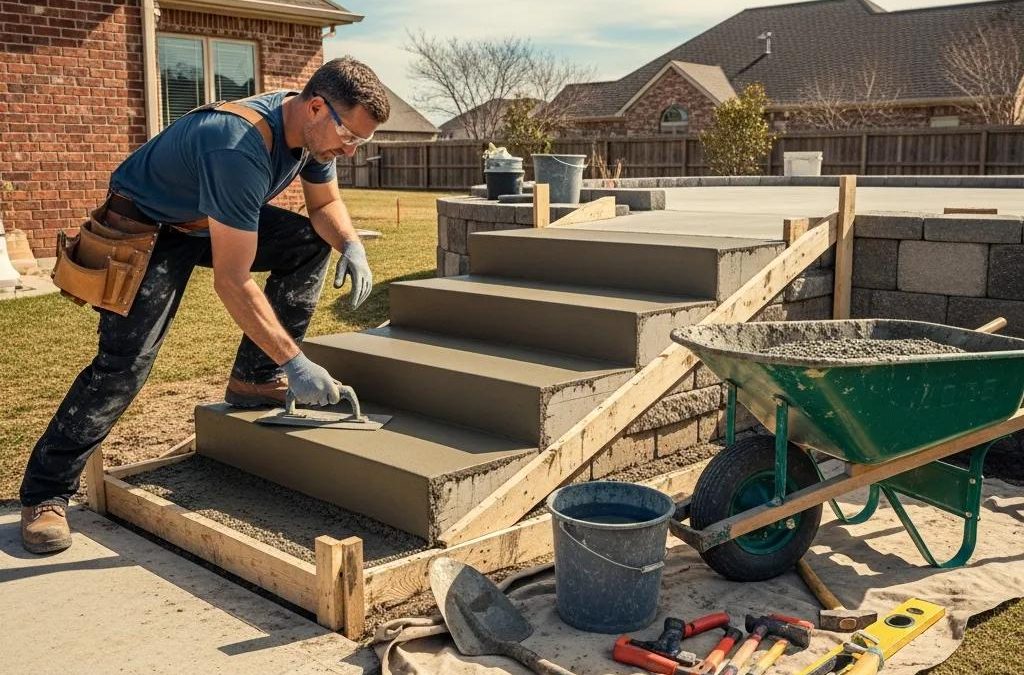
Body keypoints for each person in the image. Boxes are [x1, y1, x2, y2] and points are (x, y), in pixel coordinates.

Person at [19, 57, 390, 554]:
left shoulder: (313, 130)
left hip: (206, 216)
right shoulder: (237, 146)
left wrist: (350, 244)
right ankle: (45, 494)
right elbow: (232, 281)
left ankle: (253, 378)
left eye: (361, 142)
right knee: (123, 367)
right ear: (318, 107)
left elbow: (323, 208)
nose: (352, 148)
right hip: (148, 229)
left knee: (308, 242)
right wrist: (295, 360)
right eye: (351, 136)